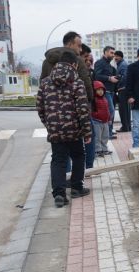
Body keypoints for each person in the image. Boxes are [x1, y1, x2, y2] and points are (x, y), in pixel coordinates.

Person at [36, 51, 92, 208]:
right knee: (79, 156)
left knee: (58, 161)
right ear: (74, 65)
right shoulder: (77, 82)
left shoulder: (45, 82)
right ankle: (76, 188)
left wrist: (50, 125)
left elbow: (40, 107)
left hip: (55, 132)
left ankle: (59, 195)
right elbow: (83, 109)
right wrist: (87, 132)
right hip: (74, 130)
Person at [41, 31, 93, 103]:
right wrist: (89, 99)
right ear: (70, 44)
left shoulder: (47, 61)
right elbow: (86, 82)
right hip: (72, 106)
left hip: (51, 106)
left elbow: (42, 84)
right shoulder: (77, 60)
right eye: (79, 46)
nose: (81, 50)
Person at [94, 46, 119, 140]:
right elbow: (97, 76)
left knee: (111, 112)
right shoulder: (100, 63)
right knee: (110, 111)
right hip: (104, 92)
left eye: (113, 53)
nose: (113, 55)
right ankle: (107, 132)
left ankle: (109, 131)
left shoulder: (109, 65)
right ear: (105, 52)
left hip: (111, 91)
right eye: (111, 53)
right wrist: (109, 78)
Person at [80, 44, 97, 169]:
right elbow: (88, 89)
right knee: (89, 136)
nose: (88, 61)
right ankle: (88, 166)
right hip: (82, 108)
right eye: (86, 58)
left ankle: (87, 166)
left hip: (85, 107)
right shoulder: (78, 68)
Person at [91, 81, 112, 158]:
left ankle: (104, 148)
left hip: (105, 121)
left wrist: (109, 118)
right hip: (97, 122)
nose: (100, 91)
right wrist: (96, 115)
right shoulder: (94, 100)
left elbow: (107, 110)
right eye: (98, 90)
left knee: (105, 136)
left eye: (102, 90)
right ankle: (97, 150)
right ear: (94, 91)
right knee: (97, 137)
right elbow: (92, 111)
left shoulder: (105, 99)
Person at [114, 50, 131, 132]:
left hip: (123, 90)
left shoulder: (123, 65)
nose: (115, 58)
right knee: (126, 109)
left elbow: (124, 77)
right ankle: (127, 127)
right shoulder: (121, 64)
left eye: (117, 56)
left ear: (121, 57)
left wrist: (120, 86)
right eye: (115, 56)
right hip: (124, 89)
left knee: (123, 109)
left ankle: (125, 127)